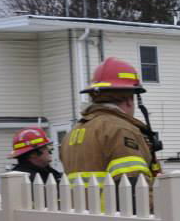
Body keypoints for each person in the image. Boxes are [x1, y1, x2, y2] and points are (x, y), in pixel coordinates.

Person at [60, 57, 159, 186]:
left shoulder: (72, 133)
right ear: (129, 99)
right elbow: (134, 187)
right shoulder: (120, 130)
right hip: (110, 201)